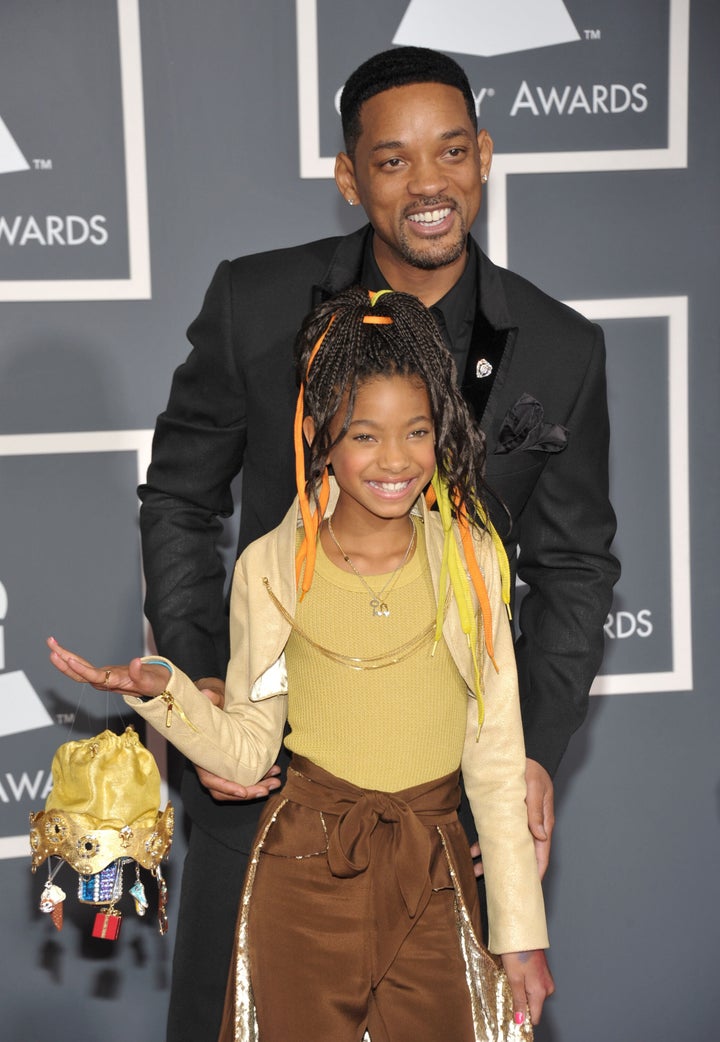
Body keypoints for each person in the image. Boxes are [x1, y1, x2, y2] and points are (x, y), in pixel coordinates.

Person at [139, 46, 618, 1042]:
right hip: (273, 796)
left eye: (450, 152)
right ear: (350, 178)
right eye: (392, 161)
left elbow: (574, 566)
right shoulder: (255, 308)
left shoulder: (562, 346)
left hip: (451, 816)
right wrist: (206, 676)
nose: (429, 183)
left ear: (483, 156)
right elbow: (181, 500)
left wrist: (531, 745)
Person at [49, 286, 554, 1041]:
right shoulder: (272, 568)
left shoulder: (472, 558)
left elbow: (494, 756)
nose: (395, 460)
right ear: (319, 435)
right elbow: (252, 746)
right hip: (302, 874)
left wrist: (521, 934)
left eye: (416, 432)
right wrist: (166, 693)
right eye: (364, 435)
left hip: (433, 870)